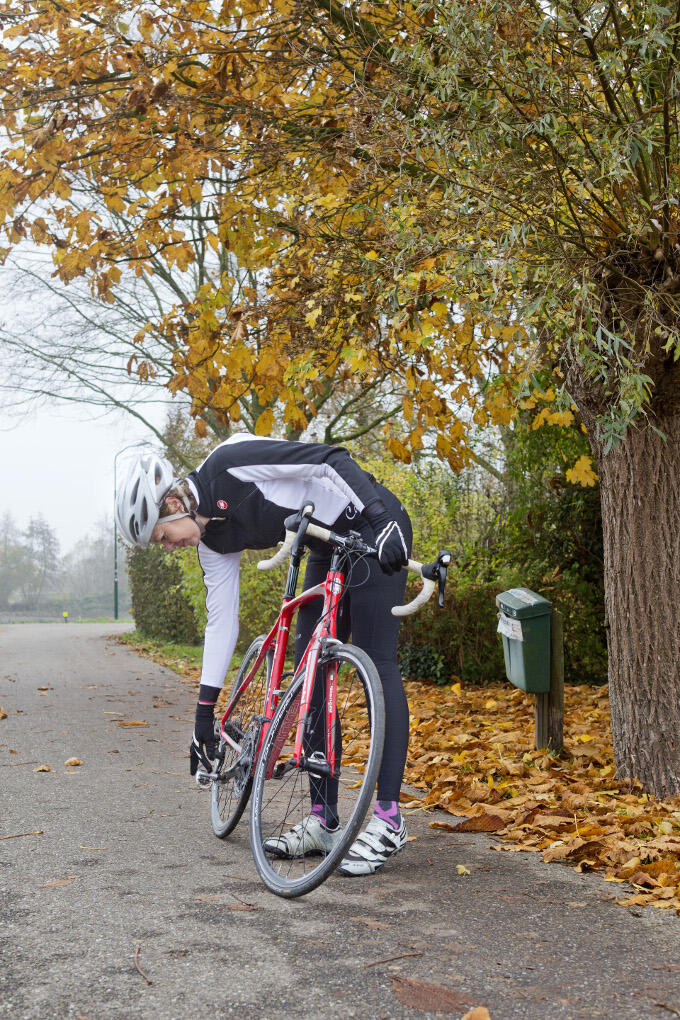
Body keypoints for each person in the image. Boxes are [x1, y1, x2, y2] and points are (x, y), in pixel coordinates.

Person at [116, 434, 413, 876]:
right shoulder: (210, 542)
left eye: (162, 536)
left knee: (378, 661)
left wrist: (382, 517)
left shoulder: (231, 462)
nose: (168, 546)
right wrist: (203, 719)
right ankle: (324, 820)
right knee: (308, 677)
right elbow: (221, 624)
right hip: (325, 545)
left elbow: (329, 459)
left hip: (371, 526)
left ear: (174, 506)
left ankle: (389, 819)